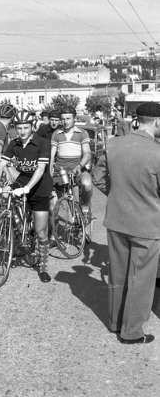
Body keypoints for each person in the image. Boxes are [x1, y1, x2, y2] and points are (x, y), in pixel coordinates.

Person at [94, 102, 160, 344]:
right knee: (141, 279)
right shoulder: (157, 152)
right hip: (147, 224)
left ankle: (115, 322)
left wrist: (117, 194)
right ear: (157, 122)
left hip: (117, 220)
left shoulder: (113, 145)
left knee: (118, 274)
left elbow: (98, 178)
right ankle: (131, 332)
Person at [0, 110, 53, 283]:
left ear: (32, 127)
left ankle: (43, 266)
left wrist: (27, 188)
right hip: (22, 181)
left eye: (26, 127)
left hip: (39, 186)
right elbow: (2, 163)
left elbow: (40, 169)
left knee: (41, 232)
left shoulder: (42, 143)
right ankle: (16, 233)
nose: (22, 131)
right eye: (19, 128)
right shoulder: (15, 143)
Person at [50, 106, 92, 222]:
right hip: (60, 171)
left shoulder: (82, 133)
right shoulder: (57, 134)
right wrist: (49, 172)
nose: (65, 121)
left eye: (68, 118)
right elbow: (52, 156)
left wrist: (79, 166)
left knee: (87, 184)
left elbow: (87, 153)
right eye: (63, 119)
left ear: (74, 119)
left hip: (77, 169)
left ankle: (85, 208)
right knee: (56, 203)